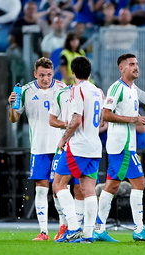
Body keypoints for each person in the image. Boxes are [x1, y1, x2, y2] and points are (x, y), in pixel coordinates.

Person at [93, 53, 145, 242]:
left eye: (137, 63)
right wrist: (134, 119)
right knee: (140, 184)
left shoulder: (133, 88)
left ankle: (99, 229)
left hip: (122, 145)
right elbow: (106, 114)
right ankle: (139, 229)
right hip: (122, 146)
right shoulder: (116, 88)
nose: (136, 67)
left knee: (111, 186)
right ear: (121, 69)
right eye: (131, 64)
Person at [8, 57, 67, 241]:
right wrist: (11, 105)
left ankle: (63, 229)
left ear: (53, 74)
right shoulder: (25, 91)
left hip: (60, 147)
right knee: (41, 189)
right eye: (41, 75)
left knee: (60, 189)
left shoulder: (62, 88)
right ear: (35, 74)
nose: (45, 79)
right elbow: (13, 119)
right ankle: (43, 232)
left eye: (48, 75)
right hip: (39, 148)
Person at [53, 56, 105, 243]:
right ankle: (89, 234)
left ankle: (74, 228)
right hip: (95, 147)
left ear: (72, 73)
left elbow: (75, 120)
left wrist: (63, 138)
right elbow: (101, 121)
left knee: (58, 184)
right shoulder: (98, 91)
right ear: (89, 73)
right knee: (88, 188)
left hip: (78, 147)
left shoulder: (76, 90)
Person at [48, 85, 85, 241]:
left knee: (80, 187)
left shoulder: (89, 92)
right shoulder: (61, 94)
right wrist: (67, 125)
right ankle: (65, 224)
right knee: (56, 187)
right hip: (64, 147)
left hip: (81, 146)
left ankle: (77, 227)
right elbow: (51, 120)